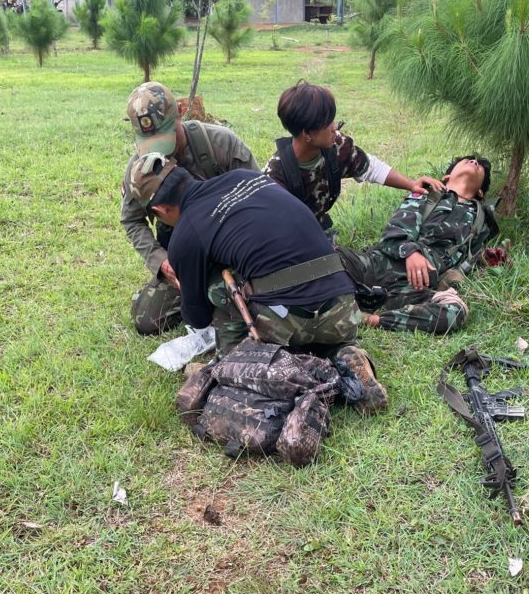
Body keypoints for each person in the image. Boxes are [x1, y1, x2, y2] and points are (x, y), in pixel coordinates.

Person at [129, 154, 389, 415]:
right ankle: (343, 354)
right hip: (343, 305)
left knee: (220, 284)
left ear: (159, 211)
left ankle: (229, 364)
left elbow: (197, 317)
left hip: (289, 321)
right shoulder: (246, 177)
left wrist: (189, 279)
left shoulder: (186, 233)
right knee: (298, 303)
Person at [122, 81, 259, 336]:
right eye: (148, 141)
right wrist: (162, 262)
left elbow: (259, 197)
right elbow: (132, 221)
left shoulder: (220, 143)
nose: (158, 151)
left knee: (253, 306)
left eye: (162, 136)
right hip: (183, 254)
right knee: (147, 320)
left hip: (233, 247)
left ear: (181, 112)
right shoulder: (140, 168)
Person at [340, 155, 499, 335]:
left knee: (456, 312)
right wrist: (411, 253)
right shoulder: (428, 193)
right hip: (377, 265)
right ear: (446, 177)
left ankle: (370, 319)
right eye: (468, 160)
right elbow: (393, 232)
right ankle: (341, 298)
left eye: (480, 166)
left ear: (480, 192)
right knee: (329, 257)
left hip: (413, 288)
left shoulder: (481, 220)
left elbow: (464, 260)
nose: (473, 162)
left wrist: (486, 260)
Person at [264, 80, 444, 233]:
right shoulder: (274, 177)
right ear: (307, 133)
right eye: (328, 124)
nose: (335, 127)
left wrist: (411, 184)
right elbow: (269, 229)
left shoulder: (335, 145)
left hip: (318, 231)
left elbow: (371, 168)